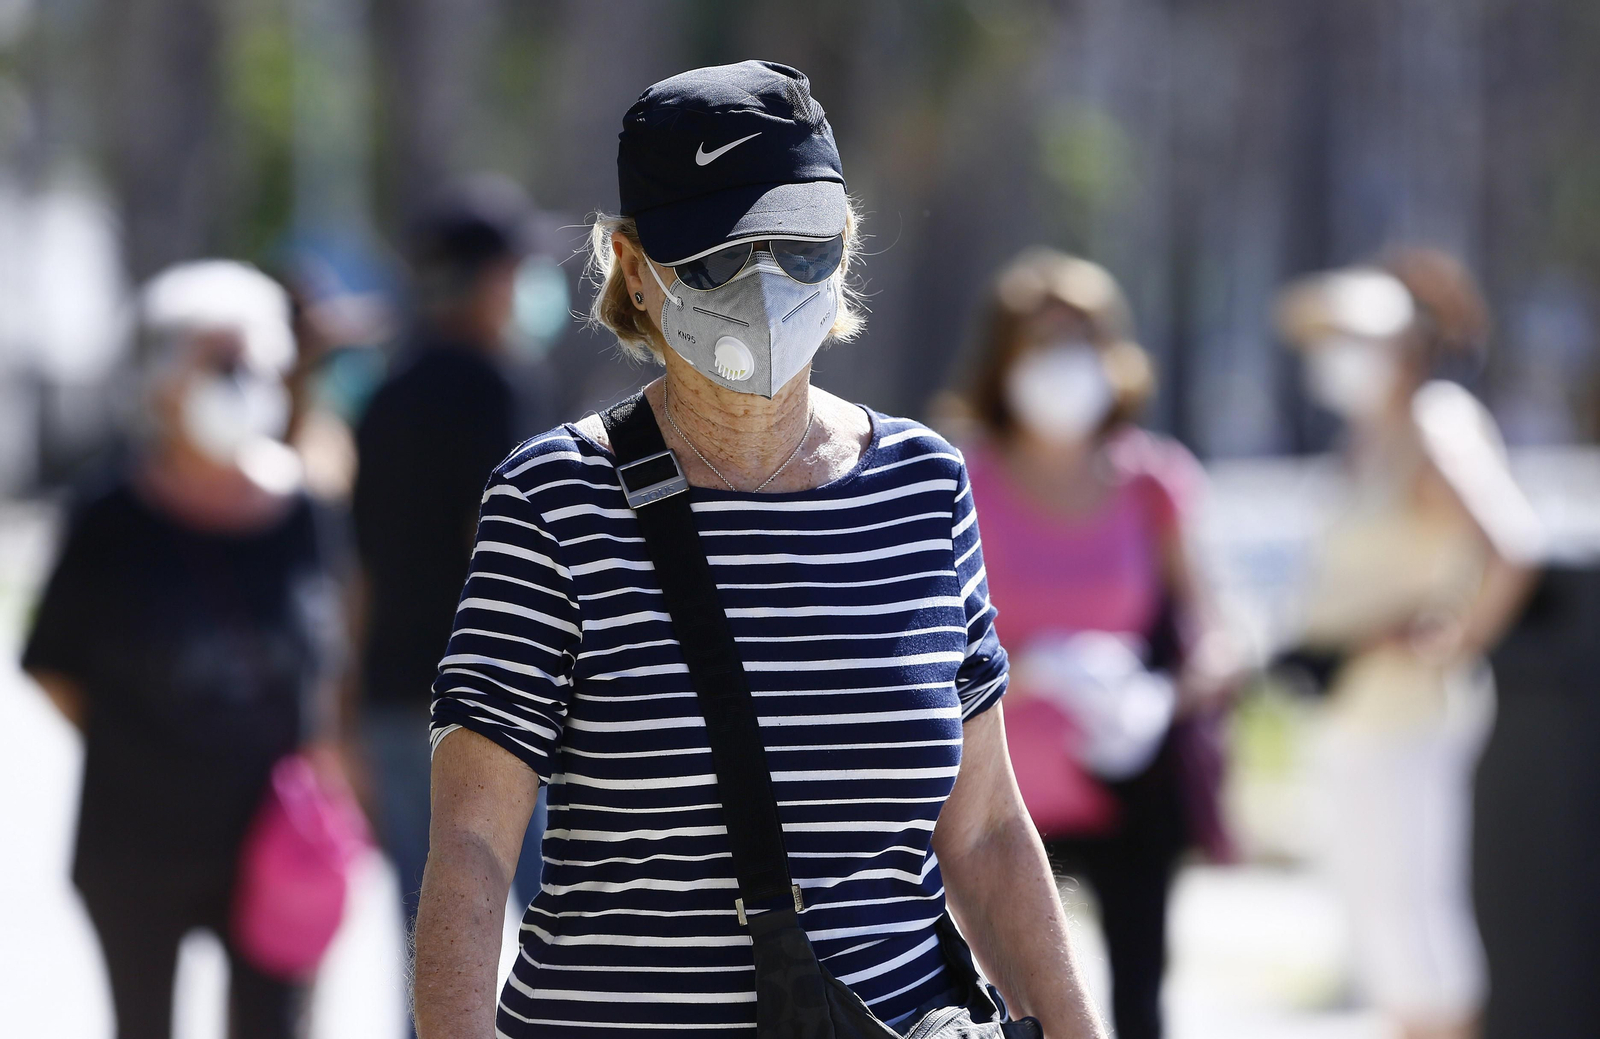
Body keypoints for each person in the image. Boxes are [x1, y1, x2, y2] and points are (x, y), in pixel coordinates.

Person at [412, 60, 1107, 1039]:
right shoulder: (553, 498)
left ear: (847, 238)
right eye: (716, 257)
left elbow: (987, 826)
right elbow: (474, 841)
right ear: (633, 270)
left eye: (800, 247)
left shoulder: (923, 483)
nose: (766, 282)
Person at [22, 260, 344, 1039]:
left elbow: (326, 657)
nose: (243, 383)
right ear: (163, 380)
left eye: (253, 363)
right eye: (218, 363)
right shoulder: (110, 518)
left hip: (268, 838)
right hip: (133, 841)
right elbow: (54, 667)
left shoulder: (300, 507)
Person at [937, 247, 1235, 1039]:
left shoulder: (1152, 481)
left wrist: (1162, 692)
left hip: (1127, 791)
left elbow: (1217, 637)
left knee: (1136, 1007)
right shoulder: (956, 478)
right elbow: (920, 647)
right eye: (1039, 343)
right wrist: (1032, 669)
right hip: (995, 801)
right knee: (1002, 1011)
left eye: (1079, 340)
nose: (1061, 363)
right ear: (1002, 359)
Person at [1275, 250, 1543, 1039]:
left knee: (1416, 926)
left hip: (1407, 714)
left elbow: (1511, 543)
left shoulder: (1435, 420)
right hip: (1357, 714)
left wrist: (1455, 638)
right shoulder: (1370, 438)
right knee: (1382, 926)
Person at [352, 175, 549, 941]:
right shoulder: (496, 385)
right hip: (497, 701)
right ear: (488, 278)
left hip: (395, 695)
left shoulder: (383, 391)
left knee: (429, 938)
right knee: (559, 931)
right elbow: (509, 552)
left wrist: (344, 709)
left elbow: (359, 565)